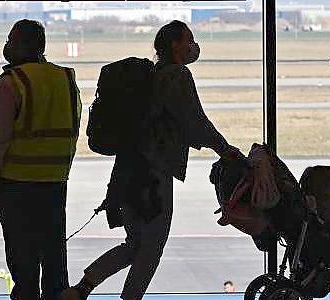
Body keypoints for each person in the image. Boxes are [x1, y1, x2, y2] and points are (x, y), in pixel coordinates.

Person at [64, 21, 242, 300]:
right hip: (153, 173)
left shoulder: (151, 76)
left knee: (135, 244)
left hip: (129, 169)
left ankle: (83, 288)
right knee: (152, 245)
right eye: (189, 39)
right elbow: (194, 122)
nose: (193, 46)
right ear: (174, 44)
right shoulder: (176, 76)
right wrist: (224, 149)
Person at [0, 19, 82, 300]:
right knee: (54, 254)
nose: (7, 46)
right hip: (56, 180)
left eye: (11, 40)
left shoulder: (12, 82)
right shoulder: (65, 79)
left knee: (23, 259)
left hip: (16, 182)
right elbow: (73, 125)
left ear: (21, 44)